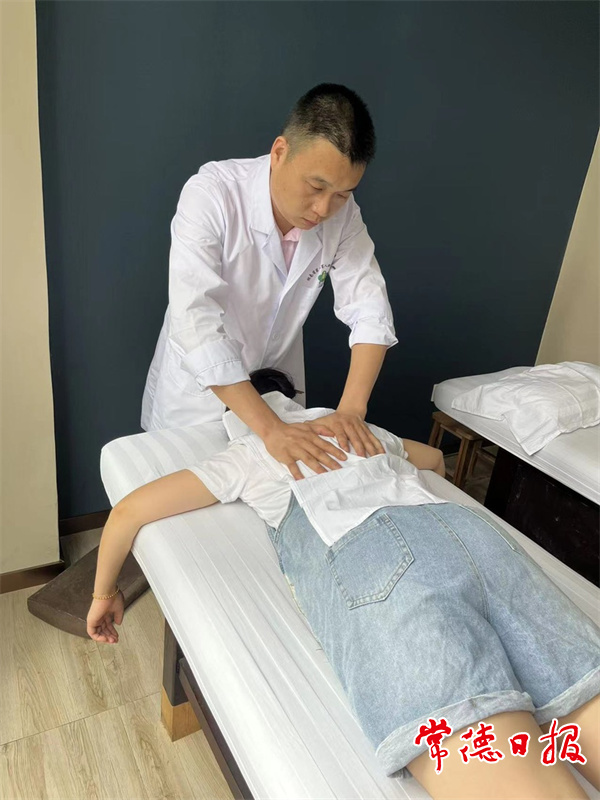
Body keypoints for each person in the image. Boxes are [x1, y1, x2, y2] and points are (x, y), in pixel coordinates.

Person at [91, 369, 600, 800]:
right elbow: (433, 460)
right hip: (473, 538)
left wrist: (103, 595)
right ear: (294, 399)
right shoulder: (359, 428)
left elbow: (130, 511)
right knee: (581, 692)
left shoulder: (249, 452)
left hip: (380, 560)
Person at [141, 84, 398, 481]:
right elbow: (195, 322)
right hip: (198, 396)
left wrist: (351, 410)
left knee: (272, 490)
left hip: (277, 389)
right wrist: (270, 429)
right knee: (187, 495)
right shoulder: (213, 194)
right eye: (316, 187)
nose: (323, 209)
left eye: (342, 194)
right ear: (280, 152)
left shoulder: (344, 217)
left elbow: (370, 309)